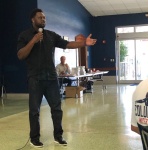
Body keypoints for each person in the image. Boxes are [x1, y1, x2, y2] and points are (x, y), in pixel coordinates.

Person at [17, 8, 96, 148]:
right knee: (34, 111)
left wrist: (84, 43)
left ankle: (58, 136)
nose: (43, 20)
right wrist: (33, 41)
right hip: (35, 79)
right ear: (33, 20)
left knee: (57, 109)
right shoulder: (25, 36)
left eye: (44, 18)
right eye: (40, 17)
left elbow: (68, 44)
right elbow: (21, 55)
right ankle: (34, 138)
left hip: (51, 79)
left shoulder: (51, 35)